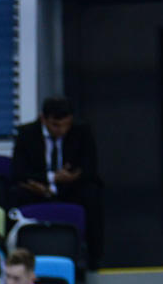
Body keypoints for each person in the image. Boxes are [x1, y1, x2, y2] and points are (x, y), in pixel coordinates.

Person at [9, 95, 103, 268]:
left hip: (70, 188)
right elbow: (19, 171)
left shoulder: (82, 131)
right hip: (36, 189)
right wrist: (51, 178)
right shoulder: (26, 134)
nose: (62, 130)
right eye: (56, 125)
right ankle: (18, 259)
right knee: (15, 194)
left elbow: (90, 167)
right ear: (43, 119)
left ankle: (93, 259)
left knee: (92, 193)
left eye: (66, 125)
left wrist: (73, 176)